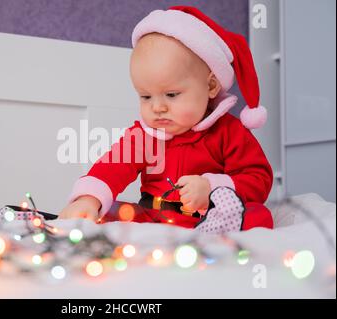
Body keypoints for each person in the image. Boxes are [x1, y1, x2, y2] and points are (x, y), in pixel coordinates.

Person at [59, 6, 274, 233]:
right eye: (145, 96)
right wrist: (89, 198)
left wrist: (212, 187)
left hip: (211, 215)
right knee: (107, 213)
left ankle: (217, 230)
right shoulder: (144, 136)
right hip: (152, 217)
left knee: (258, 216)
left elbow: (258, 178)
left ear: (210, 86)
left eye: (171, 95)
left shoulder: (230, 132)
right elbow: (112, 167)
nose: (158, 107)